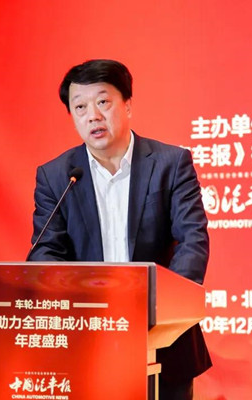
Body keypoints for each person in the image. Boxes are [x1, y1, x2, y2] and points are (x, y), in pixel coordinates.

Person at [29, 59, 211, 399]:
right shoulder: (56, 176)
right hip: (87, 338)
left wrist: (164, 311)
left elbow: (193, 240)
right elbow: (46, 251)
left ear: (127, 104)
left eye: (103, 102)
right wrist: (76, 308)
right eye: (80, 107)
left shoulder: (171, 163)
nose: (93, 116)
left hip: (164, 338)